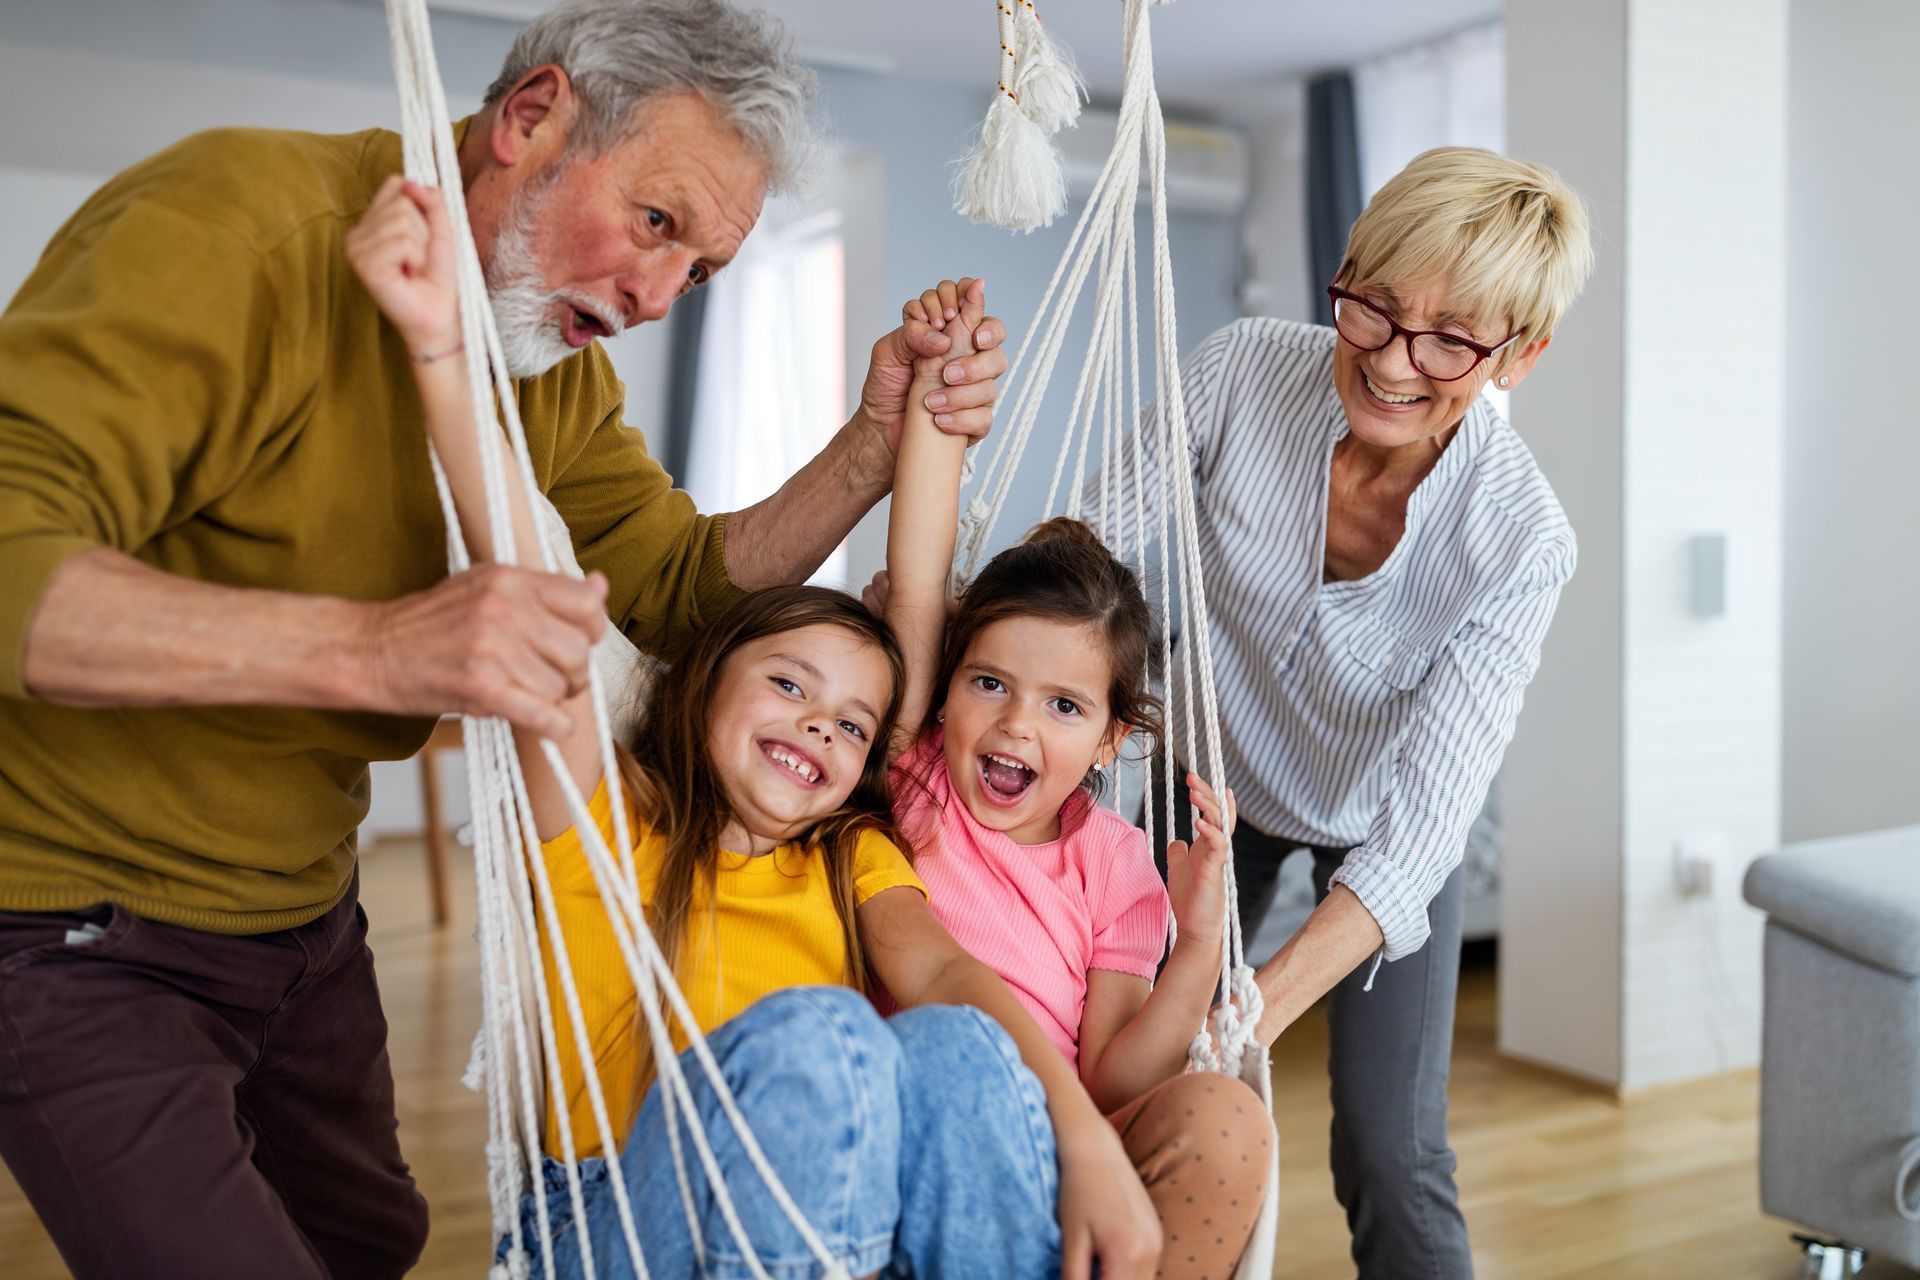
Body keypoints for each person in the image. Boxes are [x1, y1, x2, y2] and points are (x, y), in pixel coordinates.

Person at [0, 2, 1009, 1276]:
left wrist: (873, 445)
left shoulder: (544, 366)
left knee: (368, 1242)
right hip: (69, 916)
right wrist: (376, 654)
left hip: (298, 911)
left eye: (698, 270)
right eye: (656, 223)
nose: (657, 297)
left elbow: (682, 587)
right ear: (530, 119)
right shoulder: (236, 227)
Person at [352, 183, 1162, 1279]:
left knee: (955, 1046)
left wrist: (1080, 1136)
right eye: (788, 682)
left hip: (815, 1221)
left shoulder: (855, 853)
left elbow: (952, 981)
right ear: (704, 679)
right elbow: (524, 558)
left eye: (850, 722)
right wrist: (447, 355)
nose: (818, 728)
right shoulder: (606, 815)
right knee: (823, 1036)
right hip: (609, 1218)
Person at [1094, 146, 1594, 1278]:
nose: (1392, 360)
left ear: (1521, 355)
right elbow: (1089, 556)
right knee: (1132, 1068)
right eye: (1374, 304)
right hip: (1210, 774)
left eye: (1451, 338)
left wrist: (1248, 1011)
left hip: (1381, 831)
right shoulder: (1240, 370)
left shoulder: (1520, 538)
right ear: (1347, 271)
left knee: (1390, 1143)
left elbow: (1421, 829)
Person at [877, 278, 1272, 1280]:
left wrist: (1194, 949)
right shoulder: (918, 773)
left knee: (1227, 1115)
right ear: (948, 682)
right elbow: (921, 580)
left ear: (1108, 739)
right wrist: (939, 385)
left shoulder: (1114, 860)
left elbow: (1111, 1071)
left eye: (1063, 705)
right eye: (990, 682)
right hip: (936, 1129)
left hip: (1071, 1145)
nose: (1015, 721)